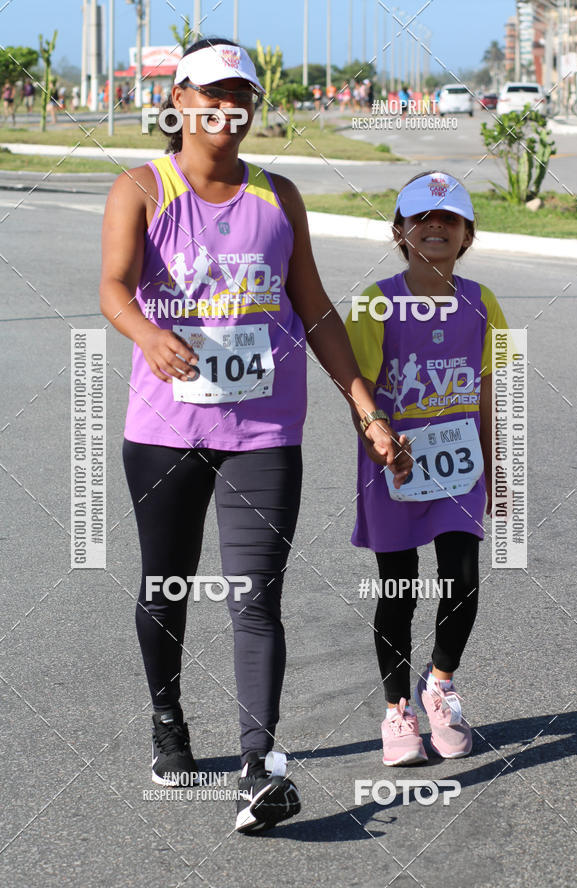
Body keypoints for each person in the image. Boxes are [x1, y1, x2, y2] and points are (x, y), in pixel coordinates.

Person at [100, 37, 411, 834]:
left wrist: (365, 406)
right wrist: (145, 331)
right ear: (180, 99)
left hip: (266, 429)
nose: (226, 107)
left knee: (257, 598)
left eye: (240, 92)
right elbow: (112, 286)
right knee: (166, 584)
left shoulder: (279, 197)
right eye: (211, 92)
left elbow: (314, 309)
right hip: (165, 429)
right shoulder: (142, 187)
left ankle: (259, 768)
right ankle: (168, 720)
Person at [345, 171, 507, 766]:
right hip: (398, 468)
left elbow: (496, 391)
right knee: (399, 587)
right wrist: (375, 439)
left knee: (462, 577)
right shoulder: (375, 300)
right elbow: (356, 385)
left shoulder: (484, 302)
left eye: (450, 219)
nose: (435, 227)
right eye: (422, 218)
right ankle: (396, 711)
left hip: (460, 468)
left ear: (467, 235)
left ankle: (439, 684)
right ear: (401, 231)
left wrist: (502, 470)